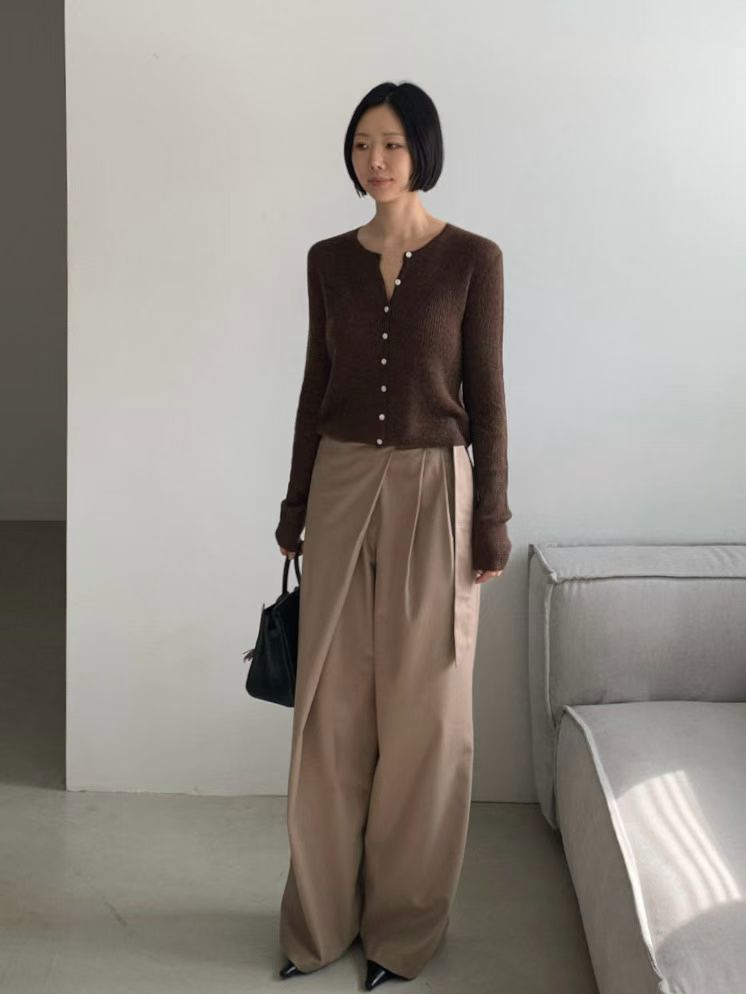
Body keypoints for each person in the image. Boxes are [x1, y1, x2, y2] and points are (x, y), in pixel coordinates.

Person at [274, 80, 512, 989]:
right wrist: (295, 505)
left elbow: (488, 397)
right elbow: (314, 386)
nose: (375, 160)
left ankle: (402, 933)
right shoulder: (327, 261)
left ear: (423, 153)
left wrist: (490, 520)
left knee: (429, 716)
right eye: (363, 144)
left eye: (394, 145)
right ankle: (318, 924)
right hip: (341, 483)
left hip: (436, 488)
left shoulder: (473, 260)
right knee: (328, 713)